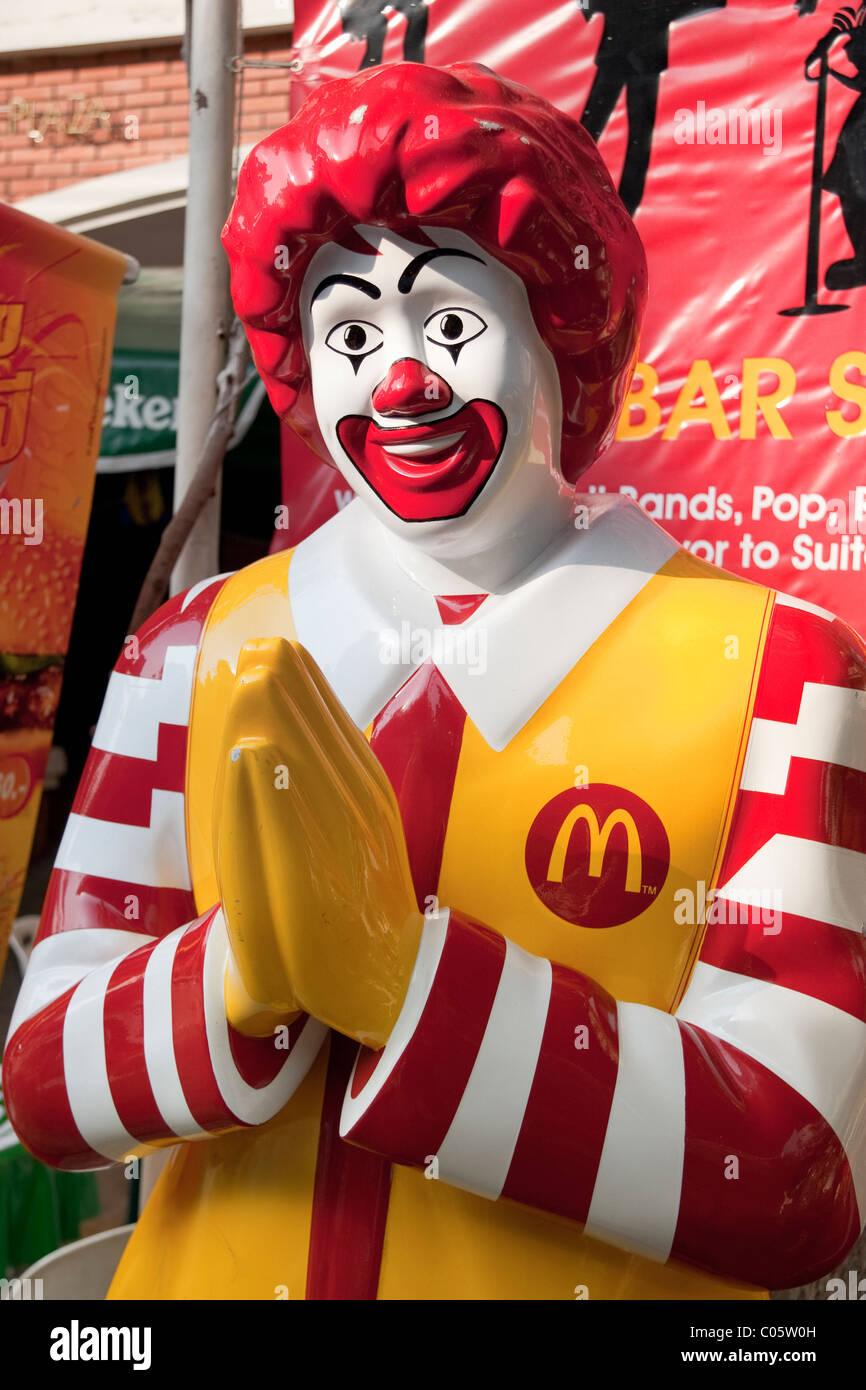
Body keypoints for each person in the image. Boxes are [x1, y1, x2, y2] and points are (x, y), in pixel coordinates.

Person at [4, 62, 866, 1301]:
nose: (400, 383)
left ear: (561, 337)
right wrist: (241, 975)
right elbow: (43, 1078)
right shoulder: (185, 654)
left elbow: (802, 1164)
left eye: (449, 323)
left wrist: (411, 987)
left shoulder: (779, 672)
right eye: (350, 333)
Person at [578, 1, 727, 215]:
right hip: (630, 56)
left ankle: (625, 207)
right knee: (597, 131)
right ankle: (619, 205)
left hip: (634, 57)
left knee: (626, 136)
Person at [809, 4, 866, 289]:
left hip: (860, 131)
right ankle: (862, 259)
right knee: (849, 189)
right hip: (857, 130)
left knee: (855, 189)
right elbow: (861, 81)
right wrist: (832, 73)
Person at [338, 0, 428, 68]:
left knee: (419, 11)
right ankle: (366, 77)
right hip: (357, 10)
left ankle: (414, 67)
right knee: (378, 26)